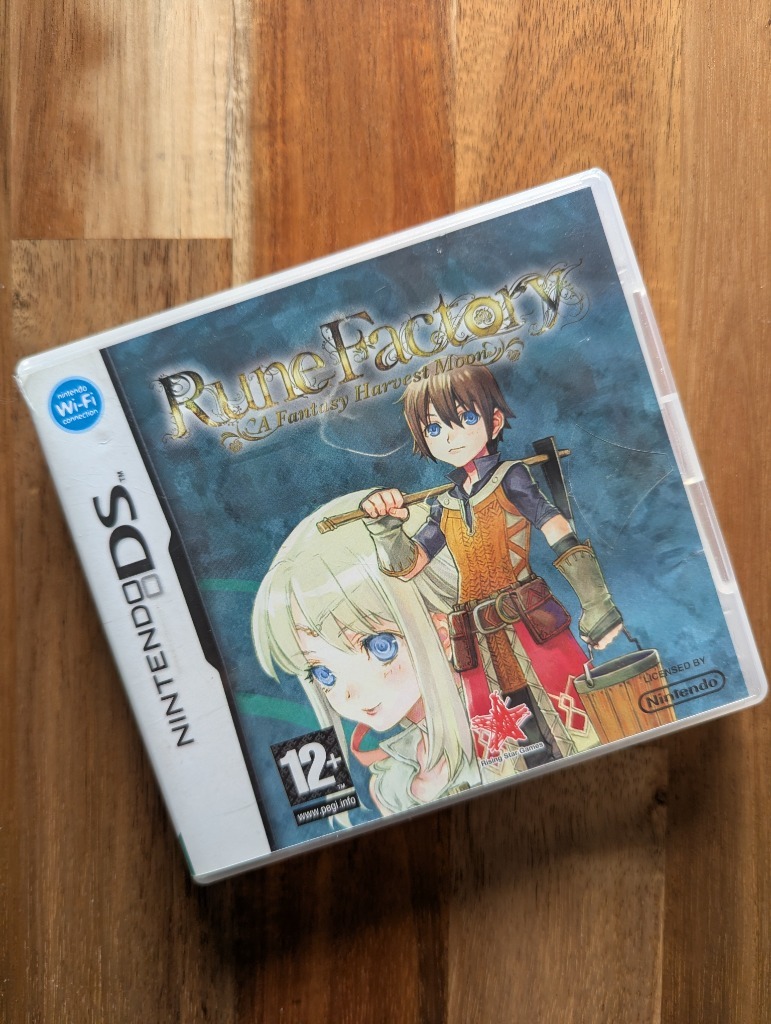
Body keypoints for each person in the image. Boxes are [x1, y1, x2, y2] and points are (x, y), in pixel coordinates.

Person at [360, 363, 622, 763]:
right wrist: (386, 527)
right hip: (478, 642)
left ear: (494, 421)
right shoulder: (443, 503)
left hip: (530, 625)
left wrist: (597, 601)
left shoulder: (510, 477)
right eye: (434, 428)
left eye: (465, 419)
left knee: (575, 723)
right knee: (515, 748)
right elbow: (410, 565)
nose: (450, 437)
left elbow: (553, 525)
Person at [252, 491, 481, 816]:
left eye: (380, 647)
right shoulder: (391, 782)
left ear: (442, 633)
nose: (348, 693)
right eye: (322, 673)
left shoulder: (511, 730)